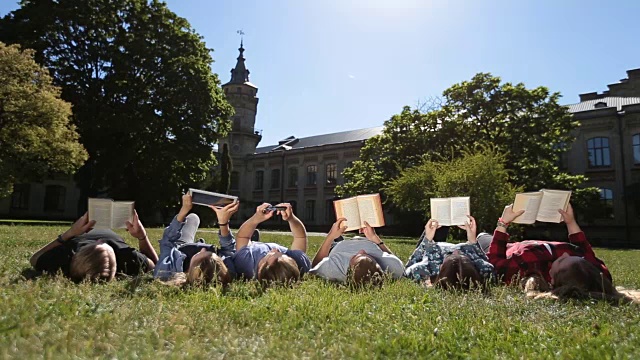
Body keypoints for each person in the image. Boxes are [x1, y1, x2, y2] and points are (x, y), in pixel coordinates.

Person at [485, 203, 611, 288]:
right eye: (573, 258)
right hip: (524, 243)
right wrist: (570, 221)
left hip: (504, 246)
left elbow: (495, 264)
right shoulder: (592, 272)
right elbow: (584, 247)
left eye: (563, 260)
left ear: (553, 276)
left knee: (482, 236)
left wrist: (503, 223)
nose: (565, 254)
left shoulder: (526, 269)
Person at [30, 211, 158, 282]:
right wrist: (142, 236)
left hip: (79, 232)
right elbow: (155, 266)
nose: (100, 239)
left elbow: (34, 258)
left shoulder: (63, 258)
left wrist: (70, 233)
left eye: (98, 243)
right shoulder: (127, 259)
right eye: (104, 243)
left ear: (78, 255)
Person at [154, 194, 240, 287]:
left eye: (199, 256)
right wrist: (223, 222)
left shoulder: (165, 270)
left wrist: (184, 210)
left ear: (189, 271)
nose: (203, 249)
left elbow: (167, 242)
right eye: (210, 254)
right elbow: (229, 249)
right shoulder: (226, 270)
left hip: (181, 245)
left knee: (193, 218)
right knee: (194, 218)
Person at [404, 216, 495, 291]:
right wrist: (472, 239)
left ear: (441, 267)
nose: (454, 251)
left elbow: (408, 267)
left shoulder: (423, 270)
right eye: (460, 254)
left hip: (432, 245)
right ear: (472, 267)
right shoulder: (484, 269)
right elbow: (484, 259)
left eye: (449, 255)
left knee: (439, 218)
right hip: (469, 244)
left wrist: (427, 239)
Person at [232, 203, 311, 287]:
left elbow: (243, 236)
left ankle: (254, 241)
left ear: (261, 268)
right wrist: (291, 218)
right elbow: (300, 237)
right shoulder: (299, 263)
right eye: (282, 254)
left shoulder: (245, 261)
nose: (275, 250)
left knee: (244, 245)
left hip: (252, 248)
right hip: (256, 250)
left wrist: (255, 219)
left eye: (272, 255)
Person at [309, 218, 404, 287]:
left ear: (348, 270)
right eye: (368, 256)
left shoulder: (333, 269)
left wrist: (330, 236)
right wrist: (374, 238)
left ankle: (338, 239)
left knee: (336, 241)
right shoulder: (393, 268)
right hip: (369, 240)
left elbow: (315, 266)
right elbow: (394, 260)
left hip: (339, 246)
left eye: (356, 256)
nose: (362, 250)